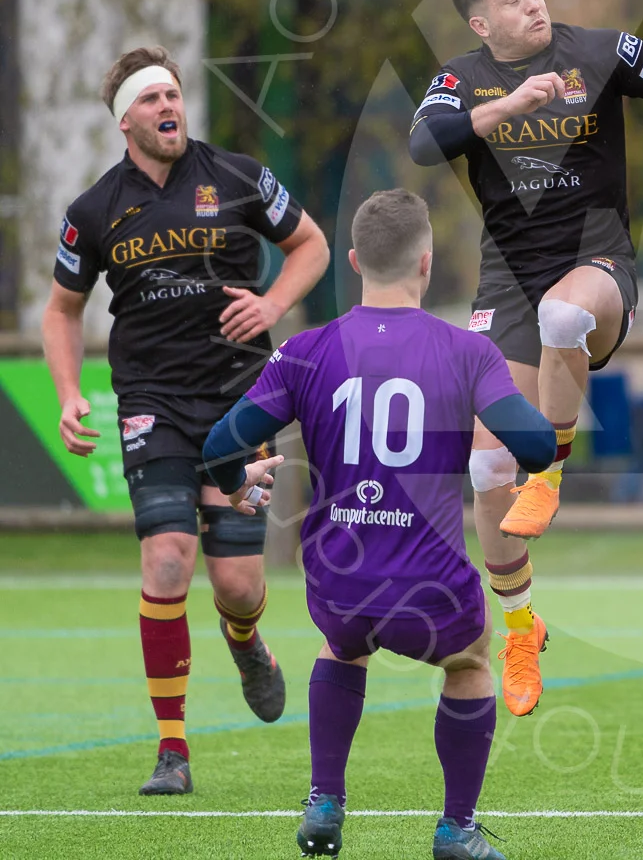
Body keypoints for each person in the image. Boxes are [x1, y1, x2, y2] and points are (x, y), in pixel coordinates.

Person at [408, 0, 643, 716]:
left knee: (565, 313)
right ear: (482, 24)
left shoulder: (598, 53)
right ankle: (521, 629)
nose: (533, 4)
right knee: (485, 471)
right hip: (506, 283)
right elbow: (424, 144)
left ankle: (548, 475)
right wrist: (508, 107)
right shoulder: (460, 79)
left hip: (596, 266)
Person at [201, 189, 555, 860]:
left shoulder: (305, 350)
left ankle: (325, 801)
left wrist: (236, 484)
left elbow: (220, 444)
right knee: (472, 660)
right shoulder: (469, 352)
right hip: (429, 585)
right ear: (426, 263)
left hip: (338, 578)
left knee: (342, 646)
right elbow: (536, 446)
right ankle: (456, 829)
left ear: (356, 260)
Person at [39, 46, 330, 796]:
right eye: (151, 99)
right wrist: (68, 393)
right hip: (152, 402)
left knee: (237, 584)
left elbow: (311, 245)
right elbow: (62, 309)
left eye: (173, 93)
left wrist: (272, 303)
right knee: (168, 560)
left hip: (240, 402)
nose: (168, 106)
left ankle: (246, 640)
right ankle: (173, 750)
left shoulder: (237, 176)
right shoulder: (95, 209)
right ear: (125, 120)